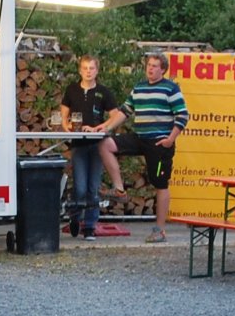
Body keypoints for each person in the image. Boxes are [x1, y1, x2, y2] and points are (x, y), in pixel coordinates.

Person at [98, 54, 189, 243]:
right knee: (105, 144)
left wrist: (170, 139)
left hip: (159, 143)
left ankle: (160, 230)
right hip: (139, 137)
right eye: (149, 65)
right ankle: (119, 189)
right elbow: (125, 111)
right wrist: (106, 128)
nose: (150, 68)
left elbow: (182, 115)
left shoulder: (170, 88)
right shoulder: (139, 87)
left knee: (160, 184)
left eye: (155, 66)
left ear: (163, 69)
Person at [59, 56, 119, 236]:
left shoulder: (103, 92)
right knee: (79, 187)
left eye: (91, 68)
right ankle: (75, 218)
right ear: (80, 70)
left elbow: (115, 115)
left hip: (98, 144)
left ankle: (90, 227)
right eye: (85, 68)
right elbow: (64, 114)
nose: (88, 71)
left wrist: (99, 128)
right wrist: (66, 126)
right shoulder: (72, 90)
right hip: (78, 144)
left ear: (97, 71)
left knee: (93, 187)